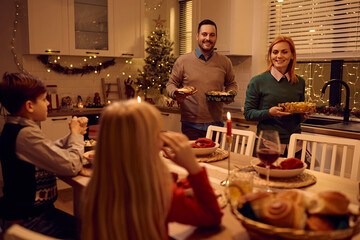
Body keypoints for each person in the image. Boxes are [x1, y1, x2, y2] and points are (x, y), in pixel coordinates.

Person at [81, 100, 223, 240]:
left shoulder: (95, 191)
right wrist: (193, 167)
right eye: (157, 134)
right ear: (146, 144)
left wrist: (182, 187)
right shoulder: (159, 196)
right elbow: (213, 215)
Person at [0, 72, 88, 239]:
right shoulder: (25, 134)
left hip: (30, 214)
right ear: (29, 106)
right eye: (44, 99)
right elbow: (72, 166)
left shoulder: (17, 127)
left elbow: (47, 150)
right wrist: (76, 136)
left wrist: (73, 135)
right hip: (29, 220)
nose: (48, 103)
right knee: (92, 230)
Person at [166, 19, 238, 140]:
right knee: (193, 159)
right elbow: (170, 84)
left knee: (216, 158)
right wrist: (175, 93)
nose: (208, 38)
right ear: (197, 36)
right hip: (191, 124)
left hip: (216, 124)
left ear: (216, 37)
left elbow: (232, 84)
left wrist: (230, 95)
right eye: (204, 34)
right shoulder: (183, 61)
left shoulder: (225, 62)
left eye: (212, 35)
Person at [244, 35, 309, 157]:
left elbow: (297, 118)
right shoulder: (258, 81)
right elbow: (248, 114)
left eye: (284, 52)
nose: (279, 56)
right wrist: (270, 112)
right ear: (270, 56)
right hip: (267, 146)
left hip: (295, 146)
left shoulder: (299, 82)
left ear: (292, 55)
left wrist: (303, 115)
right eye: (275, 52)